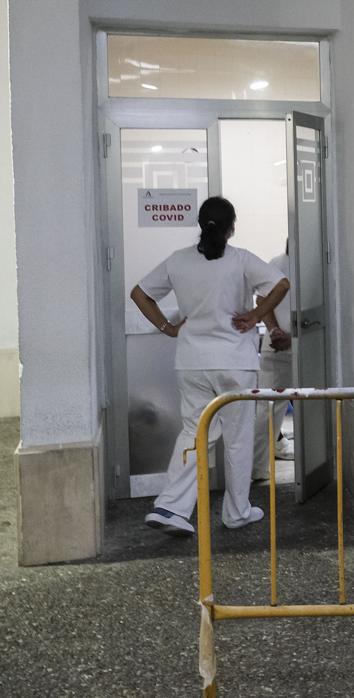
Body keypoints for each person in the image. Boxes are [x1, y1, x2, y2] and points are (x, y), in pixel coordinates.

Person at [130, 196, 290, 537]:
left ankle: (171, 507)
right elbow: (281, 284)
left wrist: (168, 328)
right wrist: (257, 316)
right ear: (232, 227)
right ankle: (236, 511)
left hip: (192, 363)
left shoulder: (178, 261)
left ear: (201, 225)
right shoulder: (242, 259)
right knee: (237, 438)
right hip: (235, 362)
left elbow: (140, 294)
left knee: (193, 431)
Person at [251, 241, 294, 480]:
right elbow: (261, 301)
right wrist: (281, 334)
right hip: (287, 347)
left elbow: (261, 301)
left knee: (267, 408)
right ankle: (257, 467)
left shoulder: (276, 264)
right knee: (269, 408)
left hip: (276, 346)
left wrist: (275, 330)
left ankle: (257, 468)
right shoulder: (279, 264)